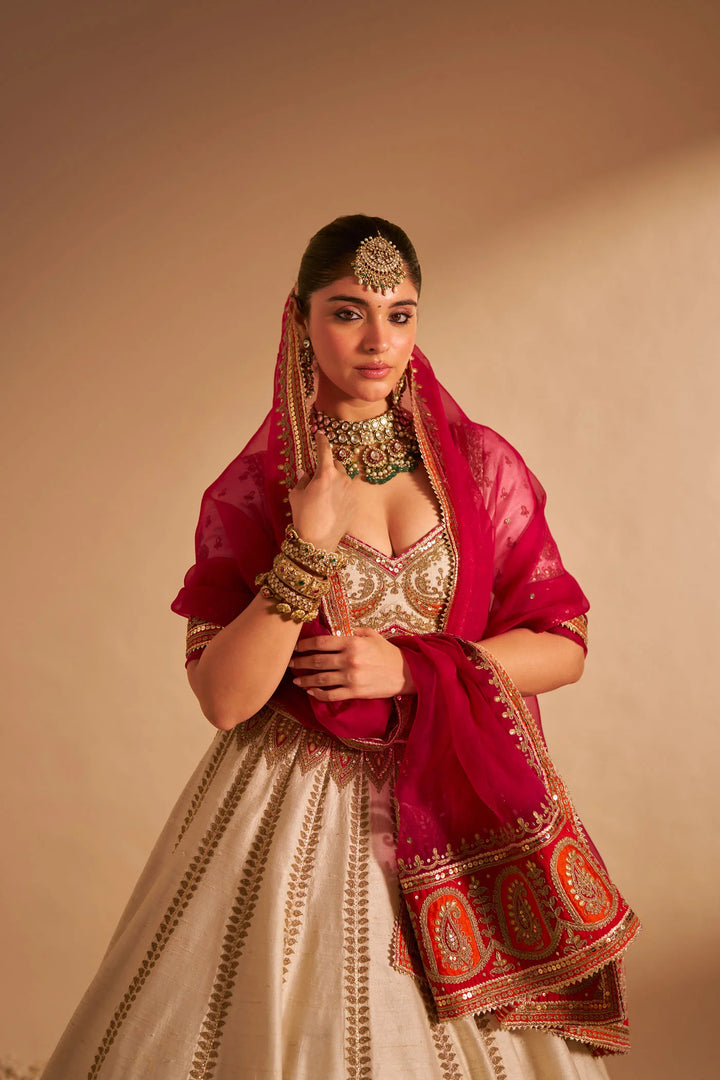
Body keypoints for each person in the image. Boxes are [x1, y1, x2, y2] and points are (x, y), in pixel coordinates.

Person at [41, 216, 639, 1080]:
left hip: (450, 790)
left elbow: (563, 643)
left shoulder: (478, 466)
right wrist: (307, 546)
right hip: (290, 805)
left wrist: (413, 667)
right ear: (299, 319)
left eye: (401, 314)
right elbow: (224, 698)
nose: (377, 340)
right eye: (349, 311)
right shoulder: (258, 487)